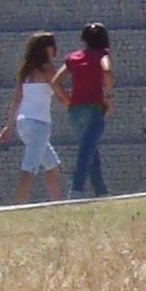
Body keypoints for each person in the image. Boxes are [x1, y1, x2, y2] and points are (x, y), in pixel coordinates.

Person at [0, 31, 65, 202]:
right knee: (29, 168)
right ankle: (17, 206)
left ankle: (58, 203)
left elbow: (17, 100)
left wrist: (9, 126)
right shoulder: (47, 70)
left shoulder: (25, 72)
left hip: (24, 123)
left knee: (53, 166)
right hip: (39, 124)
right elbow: (60, 93)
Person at [62, 23, 113, 197]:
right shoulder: (102, 55)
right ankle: (76, 190)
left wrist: (67, 100)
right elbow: (107, 70)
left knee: (91, 151)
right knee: (86, 152)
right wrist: (109, 97)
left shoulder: (74, 58)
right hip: (94, 108)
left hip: (75, 110)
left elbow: (55, 81)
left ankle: (101, 191)